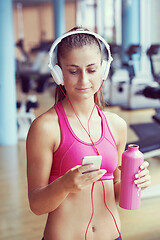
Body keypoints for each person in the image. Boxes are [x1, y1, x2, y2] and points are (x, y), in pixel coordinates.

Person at [26, 27, 151, 240]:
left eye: (91, 70)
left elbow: (116, 190)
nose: (84, 80)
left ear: (103, 70)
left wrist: (135, 181)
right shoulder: (45, 127)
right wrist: (64, 185)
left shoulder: (116, 125)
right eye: (73, 71)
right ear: (59, 73)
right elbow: (37, 205)